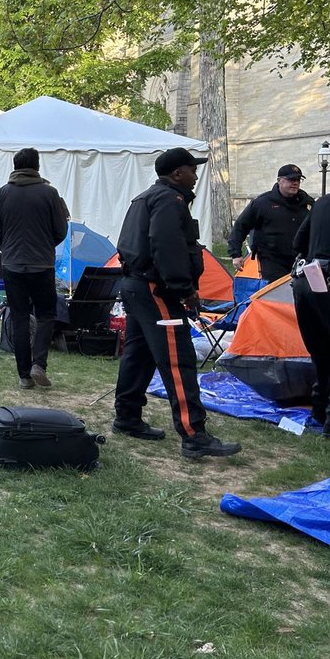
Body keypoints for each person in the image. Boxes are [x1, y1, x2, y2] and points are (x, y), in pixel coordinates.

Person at [112, 147, 241, 459]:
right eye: (191, 170)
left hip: (135, 284)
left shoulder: (147, 197)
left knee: (139, 354)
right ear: (177, 173)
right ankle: (194, 433)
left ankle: (127, 417)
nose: (195, 176)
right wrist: (184, 289)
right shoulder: (170, 200)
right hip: (155, 288)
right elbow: (166, 245)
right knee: (178, 359)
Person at [0, 148, 69, 390]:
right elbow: (61, 230)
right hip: (41, 263)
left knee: (20, 316)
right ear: (37, 166)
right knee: (46, 314)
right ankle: (39, 364)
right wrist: (45, 245)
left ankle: (24, 375)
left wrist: (8, 248)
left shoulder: (3, 193)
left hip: (12, 263)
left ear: (15, 166)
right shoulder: (49, 193)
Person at [227, 164, 314, 283]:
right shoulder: (263, 203)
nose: (295, 183)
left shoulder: (307, 203)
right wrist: (235, 254)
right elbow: (240, 227)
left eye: (298, 180)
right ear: (279, 180)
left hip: (301, 258)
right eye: (291, 179)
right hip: (272, 259)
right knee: (276, 296)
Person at [292, 196, 330, 430]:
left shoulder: (322, 203)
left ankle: (318, 410)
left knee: (320, 352)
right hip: (326, 281)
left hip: (307, 279)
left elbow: (298, 242)